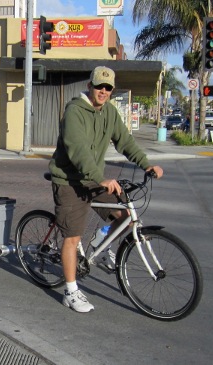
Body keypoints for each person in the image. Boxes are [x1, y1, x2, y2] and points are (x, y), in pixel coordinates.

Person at [48, 66, 164, 313]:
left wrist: (146, 164)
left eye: (108, 88)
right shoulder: (74, 112)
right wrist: (100, 178)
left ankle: (102, 241)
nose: (103, 91)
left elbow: (125, 141)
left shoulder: (109, 112)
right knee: (72, 237)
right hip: (70, 181)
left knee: (126, 218)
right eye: (99, 86)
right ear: (90, 86)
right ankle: (70, 291)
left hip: (93, 178)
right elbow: (77, 150)